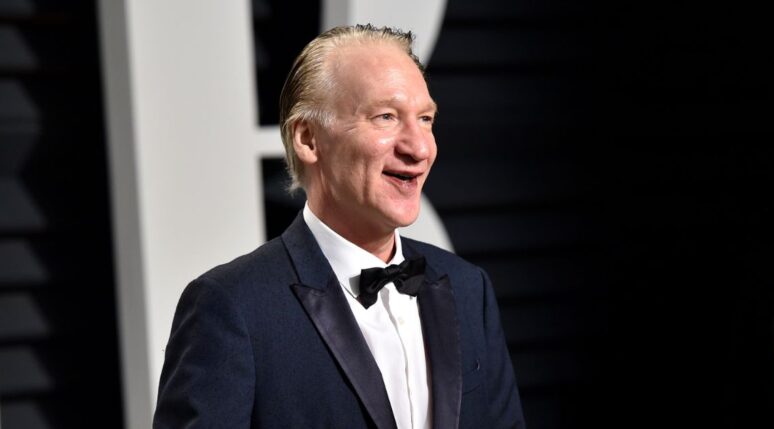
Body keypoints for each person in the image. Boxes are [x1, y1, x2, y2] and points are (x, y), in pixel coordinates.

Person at [153, 24, 525, 429]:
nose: (419, 148)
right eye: (386, 116)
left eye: (425, 118)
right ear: (308, 139)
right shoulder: (231, 307)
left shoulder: (469, 289)